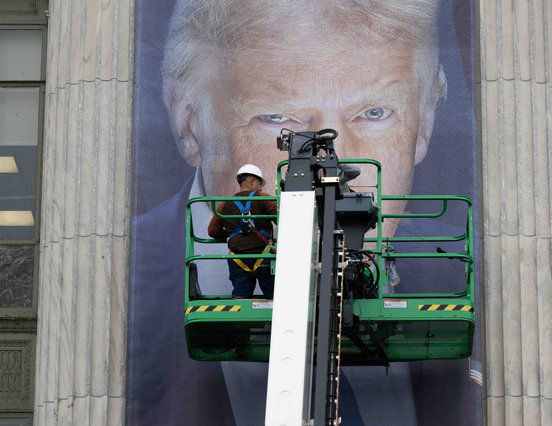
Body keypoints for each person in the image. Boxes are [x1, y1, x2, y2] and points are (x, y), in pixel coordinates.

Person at [129, 0, 481, 425]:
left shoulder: (461, 273)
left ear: (424, 123)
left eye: (374, 113)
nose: (341, 162)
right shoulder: (117, 280)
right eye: (277, 117)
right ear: (189, 124)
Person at [208, 164, 277, 299]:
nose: (260, 188)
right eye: (259, 183)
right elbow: (284, 221)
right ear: (252, 181)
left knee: (240, 296)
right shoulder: (265, 198)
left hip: (237, 259)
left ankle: (238, 318)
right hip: (264, 256)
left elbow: (212, 231)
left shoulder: (224, 204)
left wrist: (232, 235)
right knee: (273, 296)